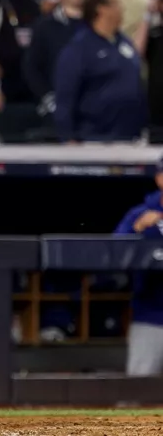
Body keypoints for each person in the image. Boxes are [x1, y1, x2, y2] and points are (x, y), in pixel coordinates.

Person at [54, 0, 147, 143]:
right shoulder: (79, 48)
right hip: (95, 139)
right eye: (116, 3)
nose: (122, 8)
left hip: (132, 137)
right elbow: (65, 98)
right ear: (101, 9)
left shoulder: (124, 42)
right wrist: (68, 139)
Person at [113, 160, 163, 377]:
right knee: (137, 391)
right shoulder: (141, 214)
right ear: (159, 178)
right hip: (152, 315)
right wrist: (138, 229)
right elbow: (113, 253)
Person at [23, 0, 87, 117]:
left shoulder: (97, 25)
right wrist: (48, 98)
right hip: (57, 107)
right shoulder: (44, 26)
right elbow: (31, 67)